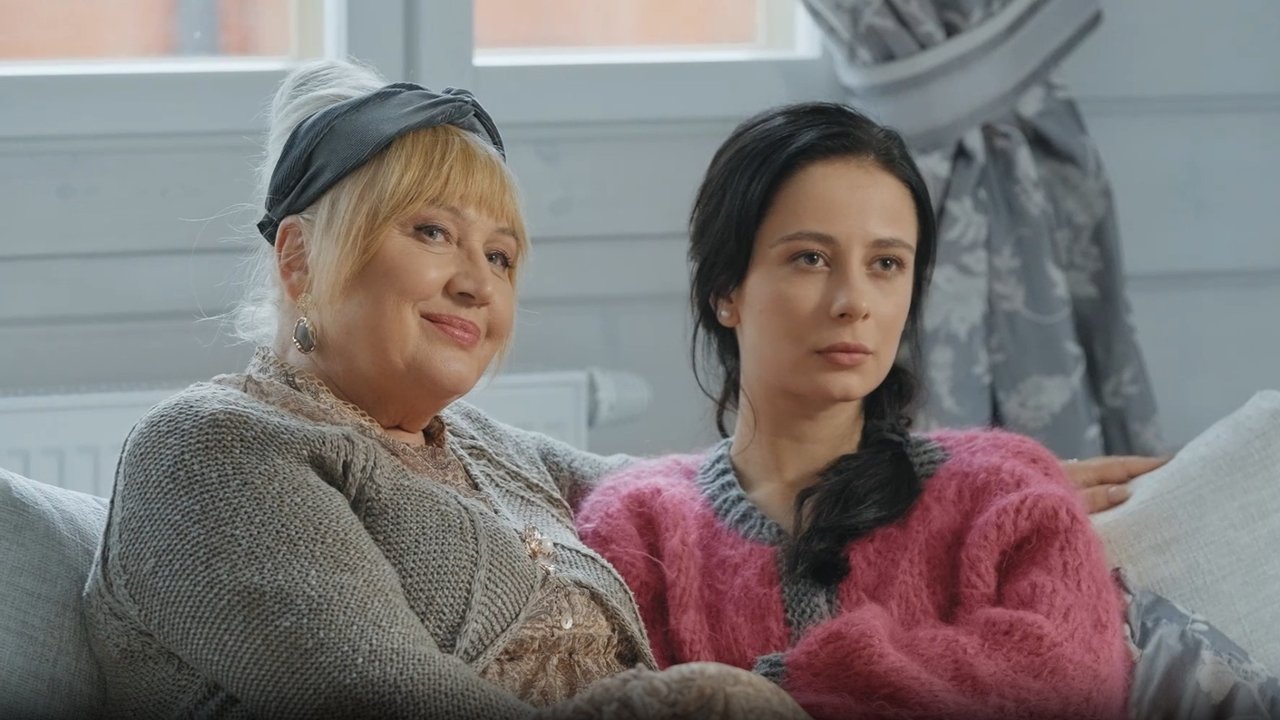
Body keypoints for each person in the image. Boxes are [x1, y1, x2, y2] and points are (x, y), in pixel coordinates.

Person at [81, 59, 805, 720]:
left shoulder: (486, 448)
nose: (477, 283)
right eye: (431, 232)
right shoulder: (211, 448)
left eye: (500, 256)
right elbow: (385, 696)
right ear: (300, 259)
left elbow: (688, 502)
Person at [576, 102, 1135, 719]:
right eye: (810, 258)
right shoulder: (640, 525)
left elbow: (1070, 683)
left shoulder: (1002, 488)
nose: (854, 302)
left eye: (886, 264)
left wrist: (779, 687)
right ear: (725, 291)